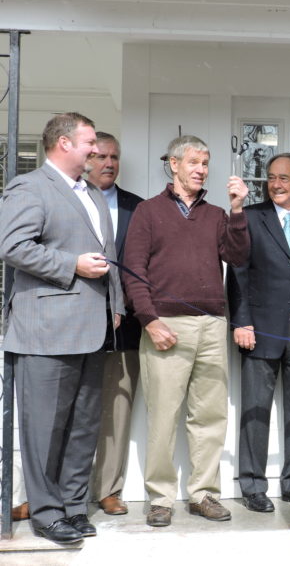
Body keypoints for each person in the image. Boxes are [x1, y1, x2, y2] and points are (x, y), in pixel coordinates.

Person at [0, 112, 124, 543]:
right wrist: (70, 265)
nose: (95, 149)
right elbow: (12, 246)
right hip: (46, 331)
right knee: (44, 429)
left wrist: (117, 305)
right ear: (64, 143)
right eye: (89, 142)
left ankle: (73, 506)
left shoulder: (91, 192)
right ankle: (46, 513)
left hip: (93, 329)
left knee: (84, 425)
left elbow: (107, 255)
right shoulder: (30, 187)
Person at [123, 135, 249, 527]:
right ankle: (160, 498)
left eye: (205, 163)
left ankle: (204, 494)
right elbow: (132, 271)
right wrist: (150, 319)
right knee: (162, 415)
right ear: (173, 164)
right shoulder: (148, 212)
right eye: (193, 161)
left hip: (212, 324)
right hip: (165, 326)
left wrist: (238, 209)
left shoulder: (215, 215)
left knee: (210, 415)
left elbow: (238, 256)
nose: (200, 169)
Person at [227, 153, 290, 513]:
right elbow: (237, 272)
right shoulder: (251, 218)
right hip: (260, 328)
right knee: (255, 409)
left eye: (284, 178)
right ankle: (252, 485)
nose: (276, 184)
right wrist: (242, 321)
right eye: (271, 178)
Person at [87, 132, 145, 515]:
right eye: (102, 156)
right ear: (87, 159)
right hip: (73, 323)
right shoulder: (69, 201)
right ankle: (50, 492)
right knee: (68, 409)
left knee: (117, 411)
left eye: (115, 156)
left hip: (125, 328)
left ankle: (108, 489)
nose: (109, 163)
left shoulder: (137, 209)